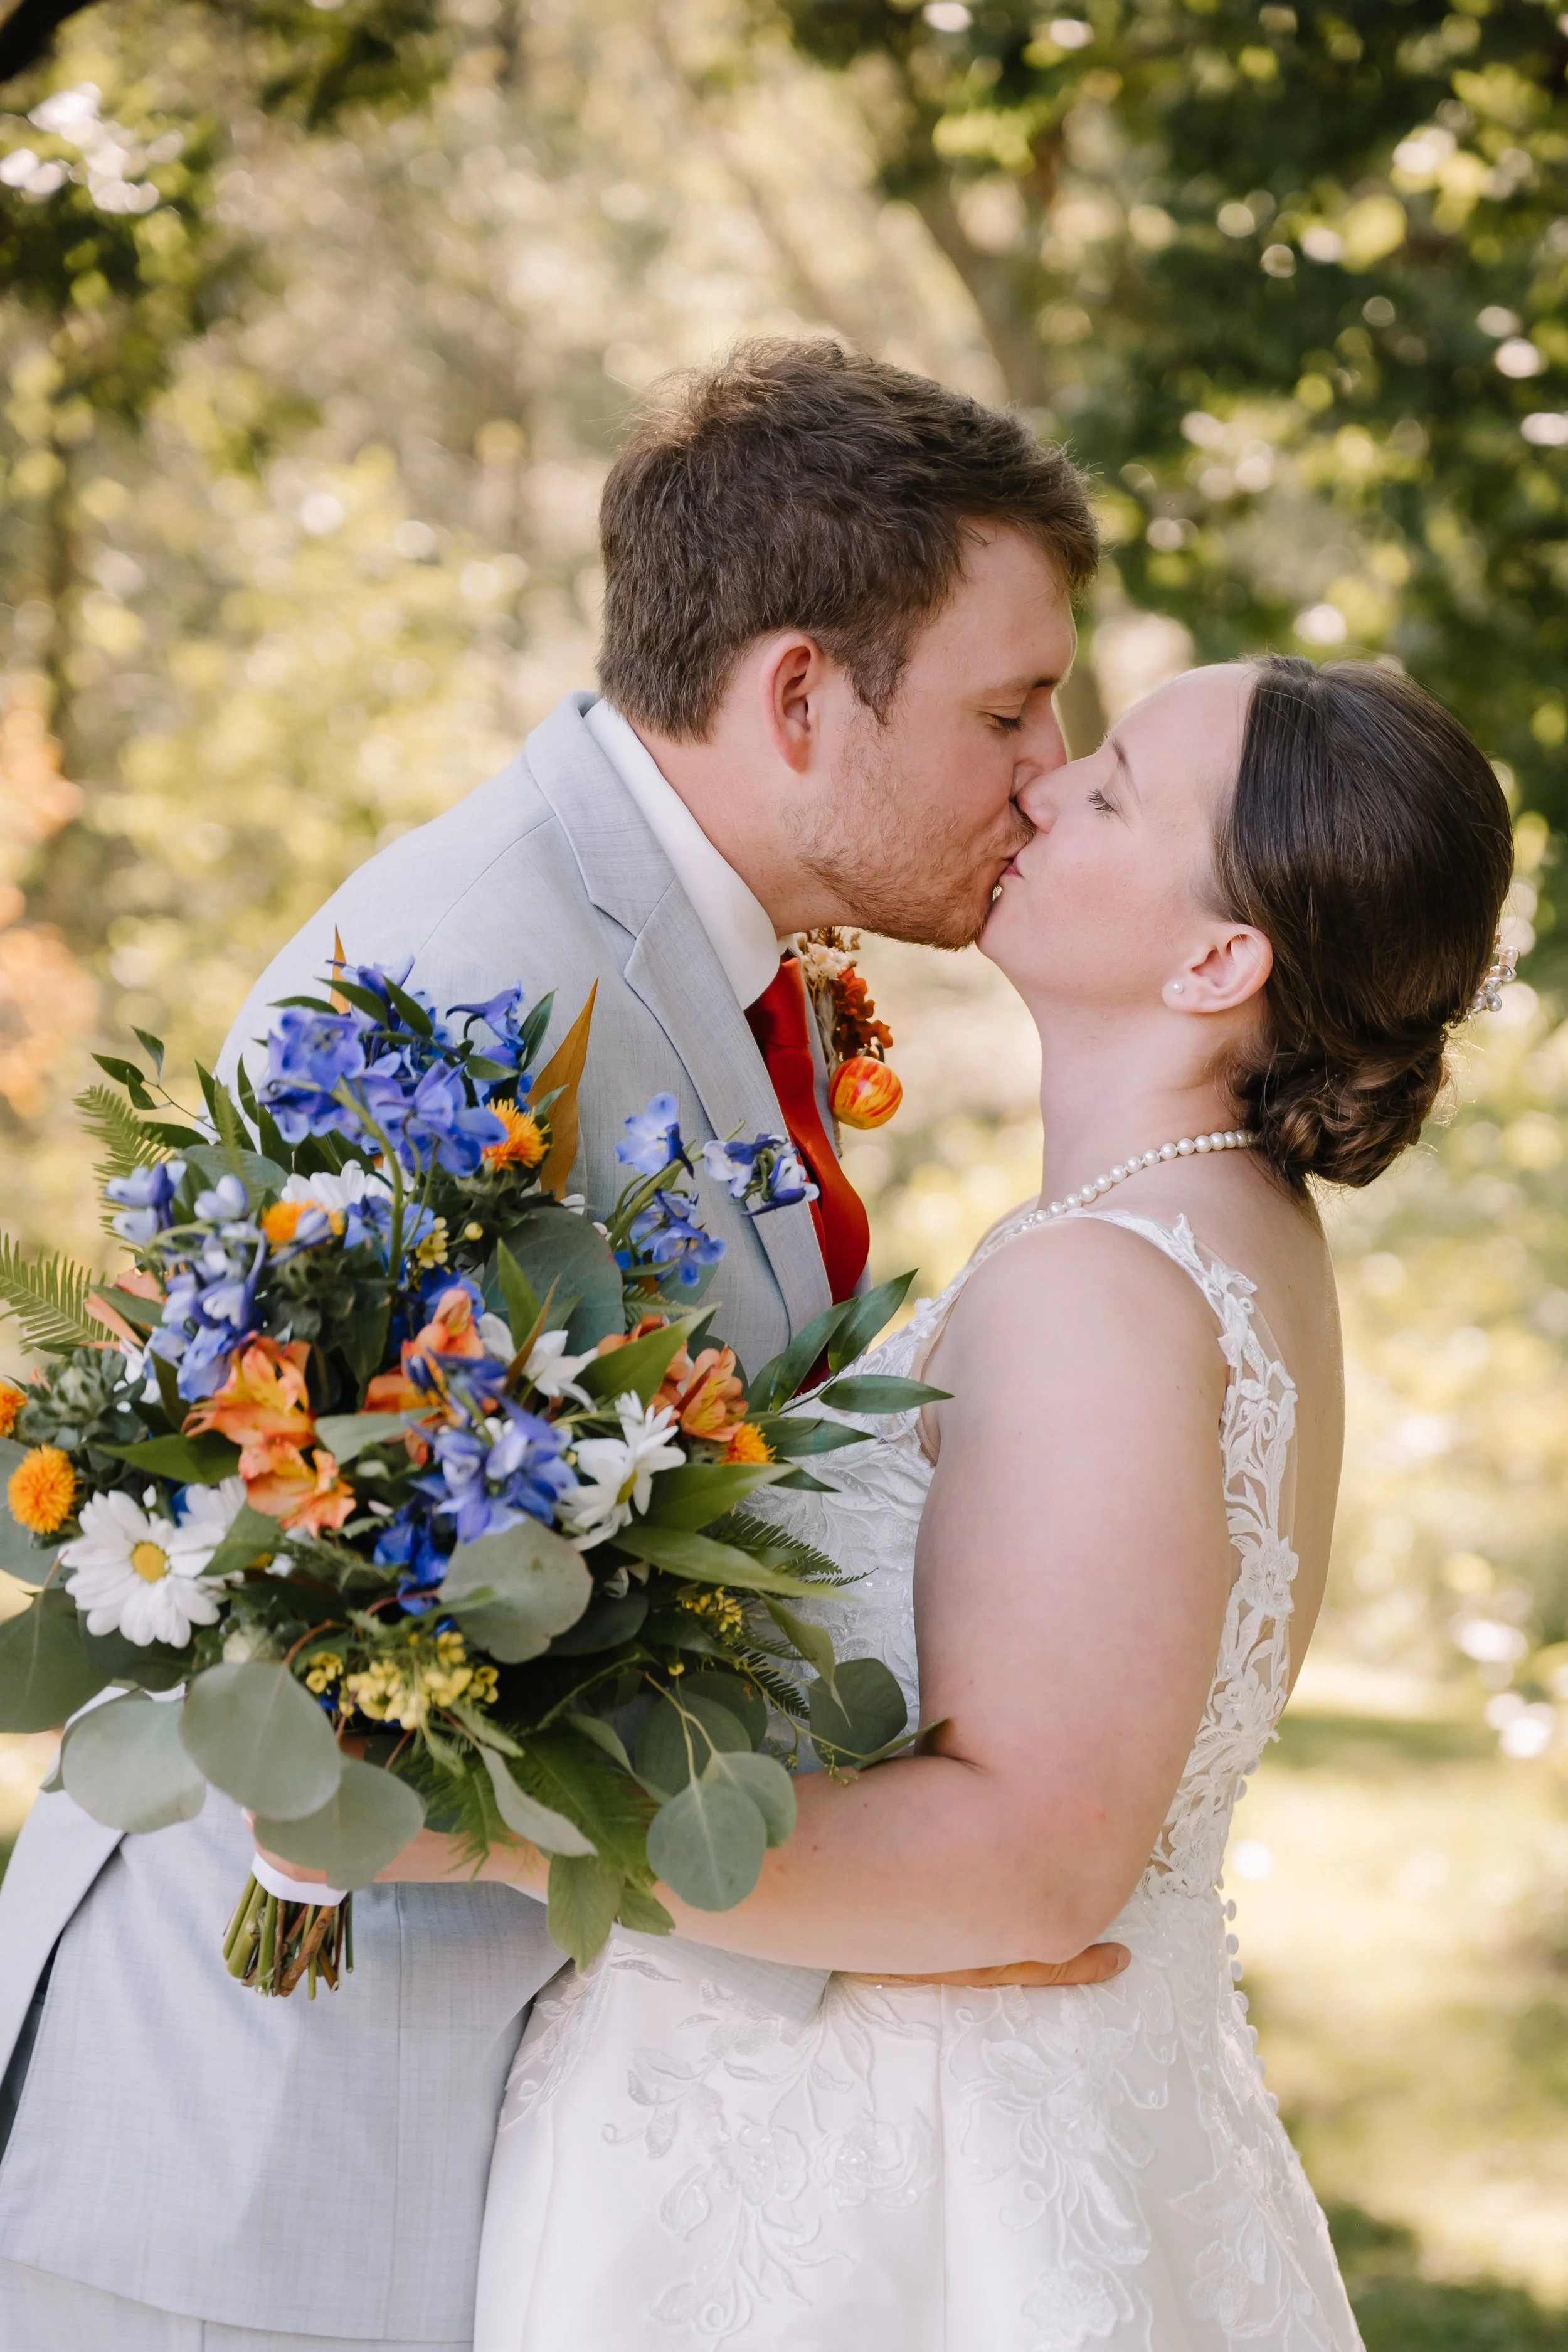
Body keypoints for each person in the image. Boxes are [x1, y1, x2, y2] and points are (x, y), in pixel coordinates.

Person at [0, 341, 1129, 2351]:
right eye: (1007, 710)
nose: (1049, 770)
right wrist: (894, 1910)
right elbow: (303, 1632)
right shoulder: (470, 980)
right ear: (800, 695)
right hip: (254, 2160)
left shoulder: (692, 942)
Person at [369, 653, 1512, 2348]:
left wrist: (472, 1823)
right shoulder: (1212, 1235)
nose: (1042, 785)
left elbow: (1030, 1862)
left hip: (897, 2189)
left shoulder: (1103, 1284)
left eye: (1110, 790)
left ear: (1217, 961)